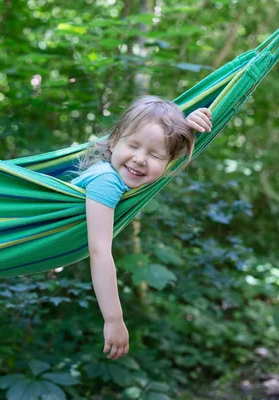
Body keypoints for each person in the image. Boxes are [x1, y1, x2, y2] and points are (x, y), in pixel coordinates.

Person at [71, 96, 212, 360]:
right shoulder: (106, 183)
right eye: (133, 146)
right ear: (114, 141)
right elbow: (100, 251)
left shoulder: (111, 173)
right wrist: (114, 319)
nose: (139, 159)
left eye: (154, 154)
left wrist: (190, 130)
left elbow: (172, 153)